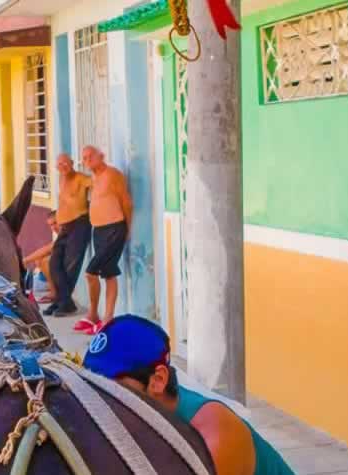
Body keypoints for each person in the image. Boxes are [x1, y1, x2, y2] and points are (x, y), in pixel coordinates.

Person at [83, 316, 295, 475]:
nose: (100, 396)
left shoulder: (214, 436)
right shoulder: (139, 416)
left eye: (112, 387)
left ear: (158, 380)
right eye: (92, 383)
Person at [77, 146, 130, 334]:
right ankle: (103, 318)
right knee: (108, 274)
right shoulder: (93, 178)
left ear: (102, 156)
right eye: (84, 158)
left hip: (114, 228)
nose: (87, 160)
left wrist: (127, 230)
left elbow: (126, 202)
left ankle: (97, 315)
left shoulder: (112, 174)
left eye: (91, 156)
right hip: (98, 231)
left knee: (90, 272)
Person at [47, 153, 93, 317]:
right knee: (54, 264)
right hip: (65, 228)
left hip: (79, 225)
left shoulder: (80, 178)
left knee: (70, 266)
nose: (63, 167)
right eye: (60, 164)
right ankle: (63, 301)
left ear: (72, 163)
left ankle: (64, 303)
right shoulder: (61, 179)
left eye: (66, 163)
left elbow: (96, 183)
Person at [21, 217, 62, 304]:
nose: (53, 228)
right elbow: (47, 248)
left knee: (45, 261)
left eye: (55, 223)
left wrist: (25, 260)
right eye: (51, 225)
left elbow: (48, 248)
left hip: (67, 265)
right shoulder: (59, 236)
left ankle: (55, 293)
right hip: (47, 276)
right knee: (39, 260)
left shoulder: (66, 233)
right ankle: (53, 291)